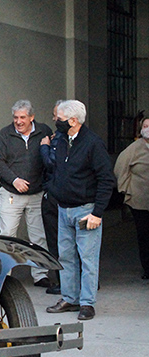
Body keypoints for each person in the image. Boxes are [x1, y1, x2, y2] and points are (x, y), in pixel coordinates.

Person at [45, 100, 116, 320]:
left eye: (60, 119)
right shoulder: (62, 141)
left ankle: (87, 303)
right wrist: (53, 191)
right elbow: (56, 169)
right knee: (66, 257)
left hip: (86, 211)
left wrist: (97, 213)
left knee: (87, 259)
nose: (56, 122)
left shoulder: (93, 144)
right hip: (64, 209)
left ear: (73, 121)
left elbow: (106, 180)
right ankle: (69, 298)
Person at [0, 100, 53, 287]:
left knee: (39, 236)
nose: (18, 121)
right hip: (11, 194)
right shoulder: (4, 134)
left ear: (31, 117)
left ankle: (40, 274)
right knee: (8, 234)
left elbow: (50, 157)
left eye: (23, 117)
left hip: (37, 193)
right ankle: (6, 275)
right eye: (16, 117)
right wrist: (14, 180)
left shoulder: (44, 131)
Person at [114, 116, 149, 280]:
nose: (147, 128)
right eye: (145, 125)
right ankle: (147, 268)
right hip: (140, 201)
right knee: (144, 235)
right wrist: (126, 189)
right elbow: (120, 168)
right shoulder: (134, 149)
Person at [39, 100, 65, 294]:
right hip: (65, 195)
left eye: (56, 115)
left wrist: (44, 147)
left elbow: (50, 163)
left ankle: (62, 283)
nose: (54, 118)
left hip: (56, 196)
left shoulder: (59, 138)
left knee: (57, 240)